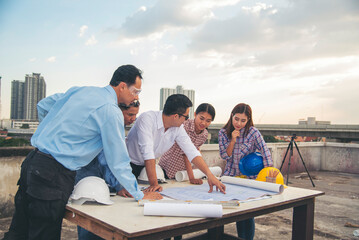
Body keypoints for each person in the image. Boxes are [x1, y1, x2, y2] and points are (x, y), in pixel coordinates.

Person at [3, 65, 161, 240]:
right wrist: (139, 193)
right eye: (136, 91)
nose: (136, 96)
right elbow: (118, 160)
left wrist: (56, 135)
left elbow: (43, 105)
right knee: (43, 233)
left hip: (32, 162)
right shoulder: (111, 110)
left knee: (19, 230)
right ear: (122, 86)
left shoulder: (81, 91)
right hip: (54, 174)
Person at [126, 94, 226, 193]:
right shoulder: (147, 119)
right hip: (126, 165)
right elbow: (148, 152)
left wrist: (210, 176)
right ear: (176, 116)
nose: (186, 120)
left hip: (145, 169)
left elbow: (191, 151)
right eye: (186, 117)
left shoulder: (177, 128)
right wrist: (154, 185)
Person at [75, 100, 141, 240]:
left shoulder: (116, 127)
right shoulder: (108, 125)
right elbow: (108, 161)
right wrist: (120, 186)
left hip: (100, 179)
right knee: (90, 223)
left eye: (135, 115)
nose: (133, 119)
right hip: (88, 180)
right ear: (118, 112)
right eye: (130, 114)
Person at [218, 103, 273, 240]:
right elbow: (225, 156)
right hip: (231, 177)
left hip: (249, 178)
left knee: (247, 213)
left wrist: (269, 177)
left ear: (248, 120)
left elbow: (265, 152)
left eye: (243, 120)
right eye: (236, 119)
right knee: (232, 211)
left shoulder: (253, 132)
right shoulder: (223, 133)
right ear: (232, 116)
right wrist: (233, 140)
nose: (239, 123)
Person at [159, 103, 216, 184]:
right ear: (195, 114)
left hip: (181, 174)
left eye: (208, 121)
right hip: (167, 167)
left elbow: (195, 153)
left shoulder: (204, 134)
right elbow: (187, 154)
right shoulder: (184, 125)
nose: (203, 123)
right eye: (201, 118)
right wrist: (191, 178)